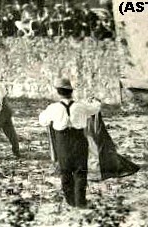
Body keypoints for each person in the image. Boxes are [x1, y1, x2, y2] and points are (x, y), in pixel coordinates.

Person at [39, 78, 101, 208]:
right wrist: (95, 101)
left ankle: (70, 201)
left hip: (63, 142)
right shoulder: (81, 106)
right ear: (71, 92)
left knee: (65, 171)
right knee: (81, 171)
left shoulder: (53, 108)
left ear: (58, 93)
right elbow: (95, 109)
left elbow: (43, 120)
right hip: (79, 141)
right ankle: (81, 202)